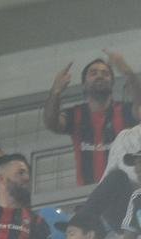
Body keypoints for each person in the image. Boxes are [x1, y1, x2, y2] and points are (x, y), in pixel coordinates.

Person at [44, 53, 141, 186]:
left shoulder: (125, 110)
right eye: (93, 73)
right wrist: (55, 91)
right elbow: (51, 123)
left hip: (124, 194)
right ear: (84, 84)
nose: (99, 76)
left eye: (105, 73)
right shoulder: (76, 114)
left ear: (112, 83)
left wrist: (128, 73)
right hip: (88, 196)